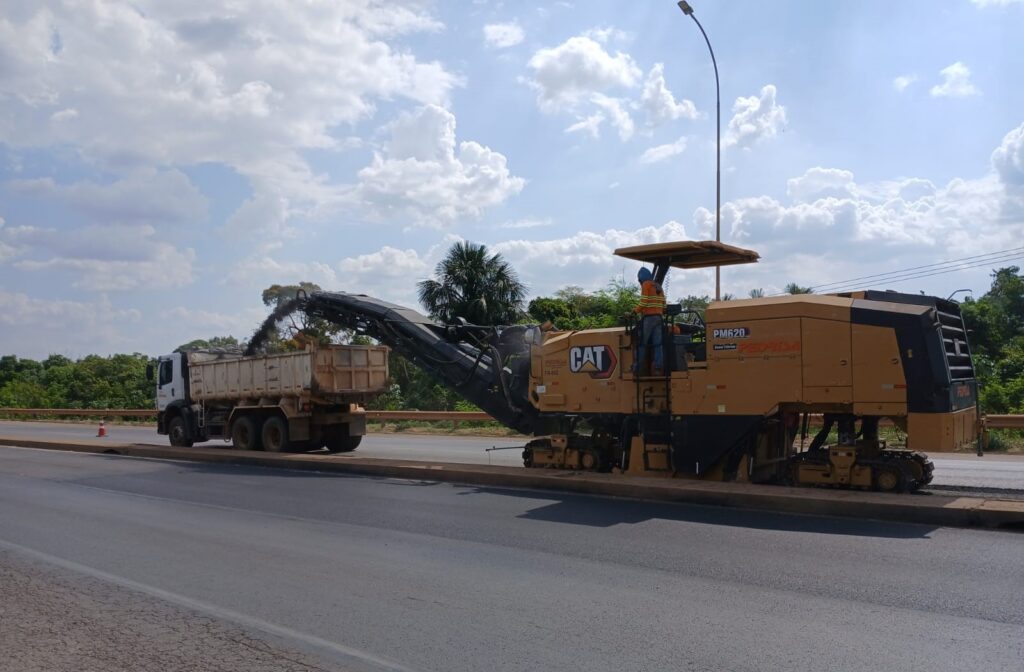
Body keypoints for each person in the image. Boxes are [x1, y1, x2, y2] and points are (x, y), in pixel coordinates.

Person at [633, 267, 666, 374]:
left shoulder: (646, 284)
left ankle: (637, 368)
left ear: (641, 278)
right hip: (659, 318)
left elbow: (644, 302)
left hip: (649, 318)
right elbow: (664, 304)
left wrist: (634, 312)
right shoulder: (658, 286)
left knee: (642, 343)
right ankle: (657, 368)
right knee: (658, 344)